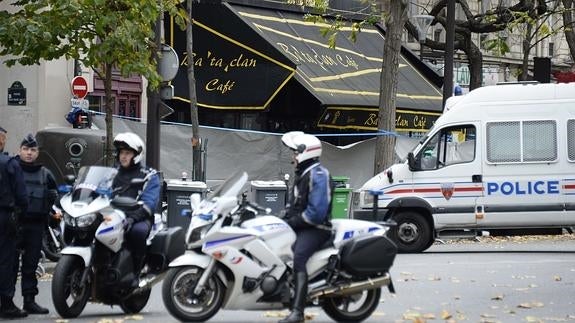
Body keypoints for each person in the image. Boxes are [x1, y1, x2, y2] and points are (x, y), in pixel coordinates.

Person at [279, 131, 333, 323]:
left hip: (316, 229)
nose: (293, 156)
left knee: (299, 257)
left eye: (295, 152)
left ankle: (298, 312)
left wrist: (292, 222)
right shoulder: (304, 173)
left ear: (305, 152)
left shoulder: (318, 175)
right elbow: (295, 205)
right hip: (302, 226)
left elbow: (316, 213)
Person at [14, 134, 58, 315]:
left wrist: (54, 212)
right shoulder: (12, 169)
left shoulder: (45, 173)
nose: (29, 153)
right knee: (8, 266)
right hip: (14, 225)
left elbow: (54, 194)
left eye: (33, 150)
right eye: (26, 149)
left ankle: (29, 301)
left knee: (31, 265)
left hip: (36, 224)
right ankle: (6, 301)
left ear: (38, 152)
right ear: (20, 151)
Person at [111, 132, 161, 283]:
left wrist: (133, 218)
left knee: (137, 233)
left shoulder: (149, 176)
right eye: (121, 153)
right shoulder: (113, 173)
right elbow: (101, 191)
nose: (123, 156)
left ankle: (136, 271)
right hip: (112, 215)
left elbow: (149, 203)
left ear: (137, 154)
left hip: (139, 218)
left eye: (127, 153)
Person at [0, 128, 29, 319]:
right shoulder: (9, 163)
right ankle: (7, 304)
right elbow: (22, 196)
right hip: (5, 216)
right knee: (6, 261)